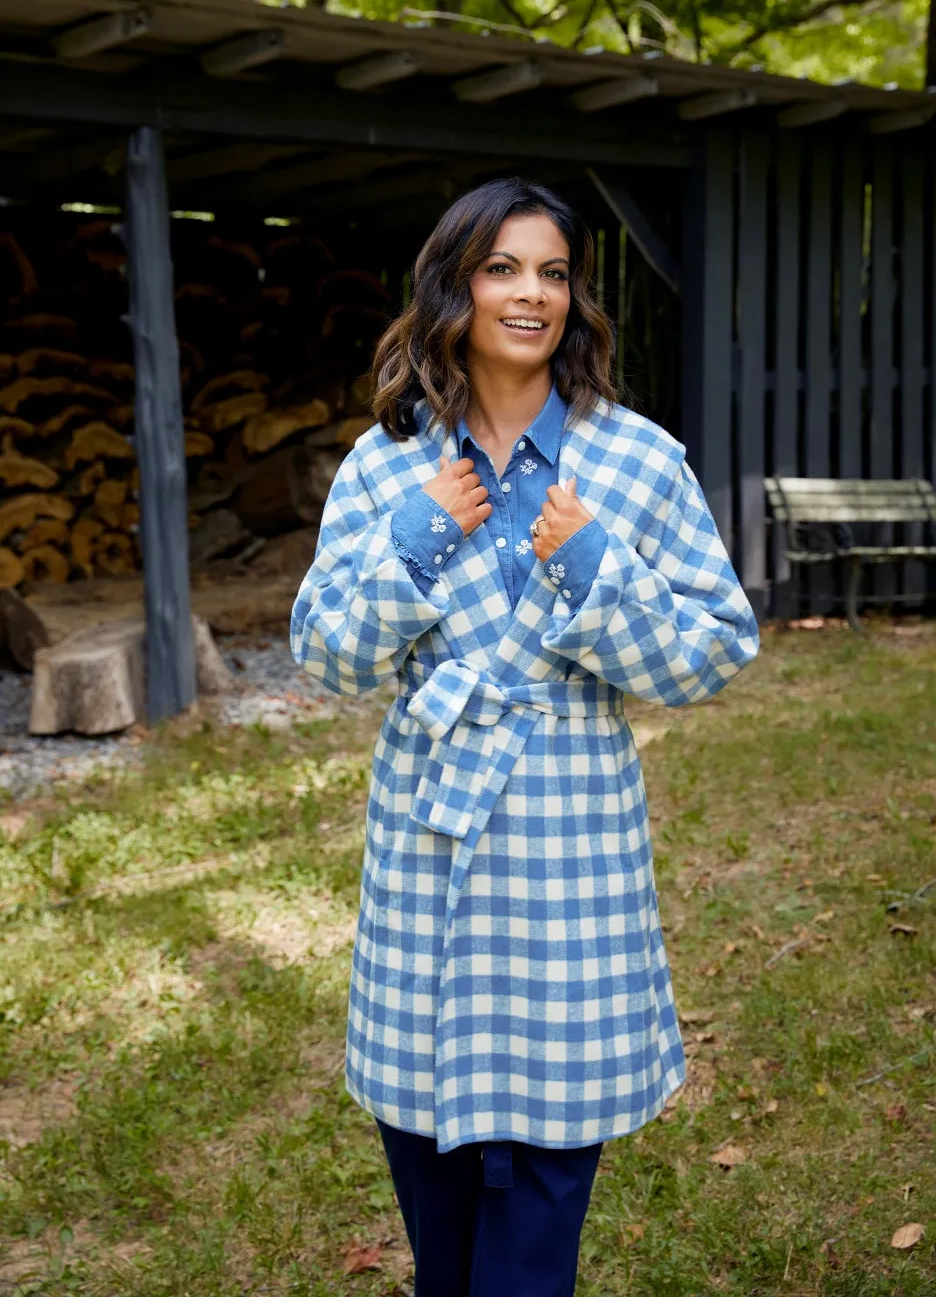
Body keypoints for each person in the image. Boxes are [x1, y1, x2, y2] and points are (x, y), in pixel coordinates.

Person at [290, 178, 760, 1296]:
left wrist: (600, 567)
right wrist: (411, 544)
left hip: (570, 834)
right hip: (428, 829)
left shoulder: (638, 461)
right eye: (503, 267)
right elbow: (325, 655)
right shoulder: (387, 468)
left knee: (547, 1179)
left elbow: (713, 653)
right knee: (430, 1140)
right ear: (454, 287)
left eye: (553, 272)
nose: (531, 294)